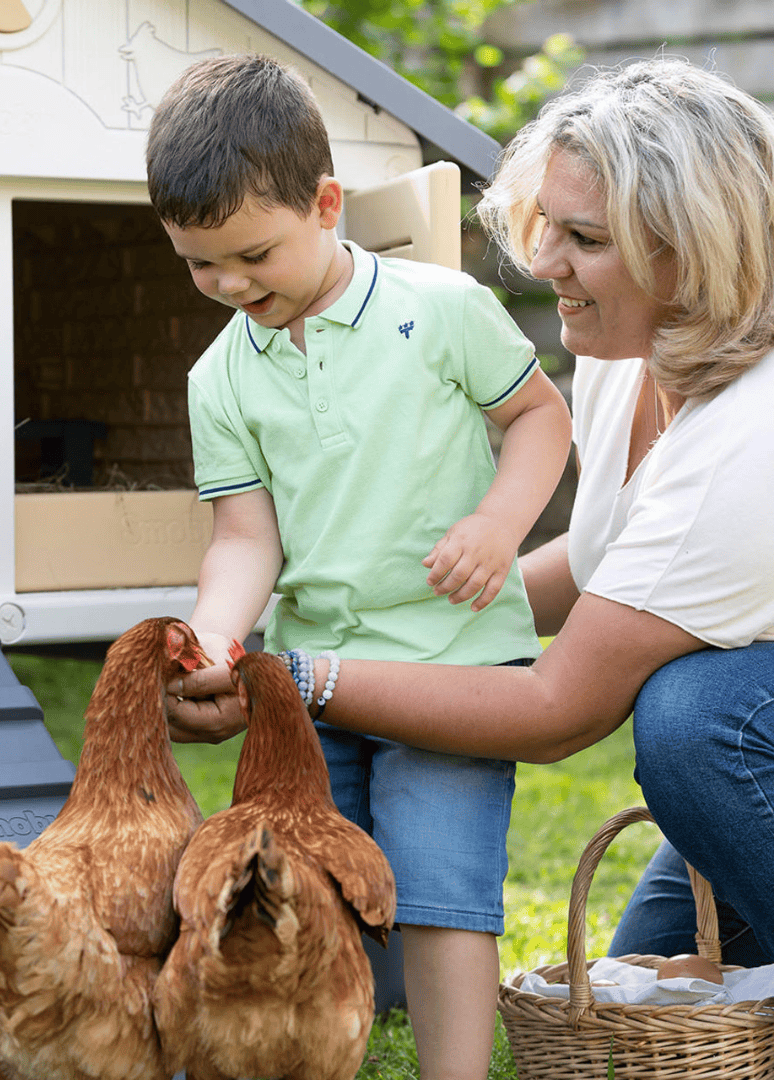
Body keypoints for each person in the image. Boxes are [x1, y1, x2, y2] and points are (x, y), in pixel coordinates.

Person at [169, 55, 774, 988]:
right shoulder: (629, 346)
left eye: (584, 238)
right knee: (637, 983)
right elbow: (622, 562)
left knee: (693, 721)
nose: (542, 265)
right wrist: (410, 607)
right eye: (546, 226)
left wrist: (297, 676)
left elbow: (553, 709)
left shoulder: (749, 441)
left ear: (689, 249)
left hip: (742, 728)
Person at [147, 54, 573, 1080]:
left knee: (437, 890)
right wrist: (214, 637)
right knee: (296, 896)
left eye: (253, 254)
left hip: (456, 670)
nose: (232, 285)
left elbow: (538, 419)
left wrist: (499, 522)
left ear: (326, 204)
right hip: (312, 688)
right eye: (201, 266)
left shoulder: (443, 307)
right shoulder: (219, 377)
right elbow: (247, 539)